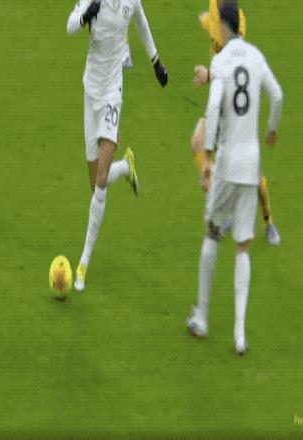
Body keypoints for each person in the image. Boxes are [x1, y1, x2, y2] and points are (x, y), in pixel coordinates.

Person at [186, 0, 283, 354]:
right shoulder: (256, 56)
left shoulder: (221, 61)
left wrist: (208, 155)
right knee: (243, 246)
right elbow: (277, 94)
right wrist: (271, 129)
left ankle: (202, 316)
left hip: (227, 161)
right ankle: (240, 335)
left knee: (213, 233)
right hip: (251, 162)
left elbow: (214, 107)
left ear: (224, 26)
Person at [66, 0, 168, 291]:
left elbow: (142, 24)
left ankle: (83, 263)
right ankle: (124, 168)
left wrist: (156, 62)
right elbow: (70, 27)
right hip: (91, 93)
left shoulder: (131, 2)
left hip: (112, 94)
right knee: (94, 180)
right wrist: (86, 16)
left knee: (100, 183)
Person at [191, 0, 281, 245]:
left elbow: (235, 68)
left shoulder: (237, 20)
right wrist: (205, 22)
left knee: (254, 177)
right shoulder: (213, 11)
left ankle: (268, 221)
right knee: (197, 142)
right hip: (218, 104)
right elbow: (211, 25)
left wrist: (209, 75)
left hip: (236, 110)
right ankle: (226, 208)